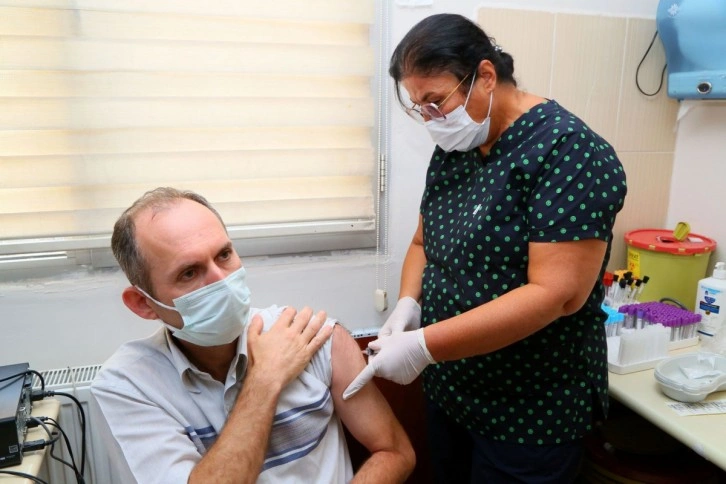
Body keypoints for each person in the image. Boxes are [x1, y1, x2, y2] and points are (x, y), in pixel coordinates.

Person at [343, 13, 627, 483]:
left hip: (529, 409)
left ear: (486, 76)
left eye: (436, 101)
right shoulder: (459, 146)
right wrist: (409, 303)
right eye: (420, 107)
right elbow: (423, 240)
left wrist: (422, 346)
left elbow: (556, 294)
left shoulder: (568, 151)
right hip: (453, 389)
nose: (431, 119)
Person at [91, 187, 415, 484]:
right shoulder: (129, 385)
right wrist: (265, 379)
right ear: (144, 304)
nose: (220, 280)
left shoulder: (311, 337)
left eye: (224, 255)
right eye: (189, 272)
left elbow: (395, 452)